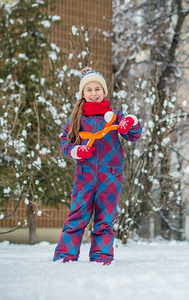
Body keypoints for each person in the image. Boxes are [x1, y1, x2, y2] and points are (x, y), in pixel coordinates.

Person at [53, 66, 142, 265]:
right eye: (89, 90)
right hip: (84, 175)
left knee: (105, 218)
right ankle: (64, 256)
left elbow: (133, 135)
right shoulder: (77, 119)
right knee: (77, 215)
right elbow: (64, 142)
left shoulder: (113, 116)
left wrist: (131, 122)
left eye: (97, 89)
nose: (94, 94)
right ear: (83, 93)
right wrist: (76, 151)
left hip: (110, 176)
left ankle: (101, 257)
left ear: (104, 92)